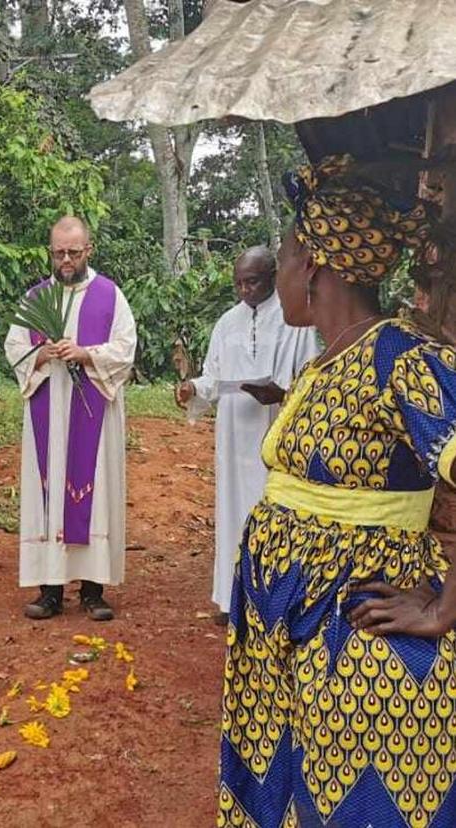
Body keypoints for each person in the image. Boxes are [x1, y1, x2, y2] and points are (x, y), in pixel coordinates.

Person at [218, 155, 456, 828]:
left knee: (347, 801)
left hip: (350, 633)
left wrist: (443, 610)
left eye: (289, 256)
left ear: (315, 267)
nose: (281, 276)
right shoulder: (332, 359)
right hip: (292, 625)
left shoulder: (401, 356)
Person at [175, 246, 319, 622]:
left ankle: (270, 600)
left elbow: (310, 381)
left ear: (272, 276)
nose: (244, 290)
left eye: (252, 281)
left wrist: (282, 395)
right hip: (233, 433)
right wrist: (193, 388)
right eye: (238, 283)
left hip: (273, 432)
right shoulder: (227, 323)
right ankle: (232, 595)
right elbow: (213, 376)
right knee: (233, 512)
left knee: (272, 513)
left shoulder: (294, 323)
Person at [5, 216, 137, 621]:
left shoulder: (110, 295)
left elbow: (126, 347)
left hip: (91, 409)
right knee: (49, 494)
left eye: (73, 252)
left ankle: (93, 591)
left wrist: (87, 354)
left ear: (88, 250)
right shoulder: (35, 298)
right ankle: (50, 591)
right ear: (50, 252)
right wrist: (40, 355)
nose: (65, 260)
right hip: (50, 406)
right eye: (59, 252)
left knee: (93, 495)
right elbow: (14, 345)